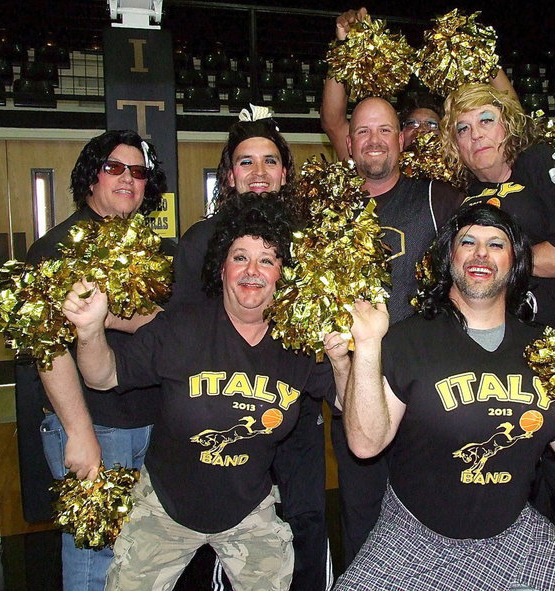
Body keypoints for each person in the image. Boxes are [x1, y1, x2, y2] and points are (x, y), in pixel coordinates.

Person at [63, 195, 350, 591]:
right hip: (164, 507)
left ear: (283, 273)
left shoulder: (298, 341)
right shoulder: (182, 328)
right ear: (221, 269)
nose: (253, 270)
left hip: (248, 510)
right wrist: (90, 331)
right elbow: (103, 376)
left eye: (267, 260)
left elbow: (348, 404)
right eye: (240, 257)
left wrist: (344, 360)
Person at [335, 203, 555, 591]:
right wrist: (367, 344)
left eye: (496, 244)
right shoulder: (406, 340)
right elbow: (366, 445)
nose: (481, 253)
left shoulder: (548, 349)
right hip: (412, 536)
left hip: (515, 535)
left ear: (515, 262)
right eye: (467, 241)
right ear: (449, 256)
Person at [171, 115, 332, 591]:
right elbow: (180, 330)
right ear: (229, 174)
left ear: (285, 173)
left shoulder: (312, 240)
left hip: (295, 408)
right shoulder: (200, 241)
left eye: (270, 161)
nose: (258, 171)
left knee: (304, 517)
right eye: (246, 161)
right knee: (226, 528)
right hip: (223, 410)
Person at [440, 82, 555, 560]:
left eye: (486, 121)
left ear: (508, 123)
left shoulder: (538, 165)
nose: (476, 136)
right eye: (463, 129)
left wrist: (503, 258)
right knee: (513, 490)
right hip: (501, 359)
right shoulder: (466, 194)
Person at [19, 130, 169, 591]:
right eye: (115, 168)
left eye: (139, 171)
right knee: (95, 556)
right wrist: (81, 435)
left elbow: (166, 325)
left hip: (149, 423)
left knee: (145, 553)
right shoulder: (56, 249)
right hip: (93, 426)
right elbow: (48, 352)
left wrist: (120, 318)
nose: (128, 179)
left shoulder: (151, 249)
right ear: (91, 178)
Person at [325, 93, 463, 567]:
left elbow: (472, 273)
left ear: (402, 138)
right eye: (362, 131)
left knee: (427, 511)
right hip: (352, 382)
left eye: (384, 129)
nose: (374, 140)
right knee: (361, 510)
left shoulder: (435, 198)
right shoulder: (329, 206)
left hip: (423, 388)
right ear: (349, 142)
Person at [320, 7, 519, 161]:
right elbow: (333, 122)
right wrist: (344, 49)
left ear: (447, 137)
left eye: (432, 125)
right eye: (411, 124)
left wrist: (482, 57)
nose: (421, 130)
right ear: (399, 138)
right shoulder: (378, 163)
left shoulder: (464, 166)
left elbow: (514, 116)